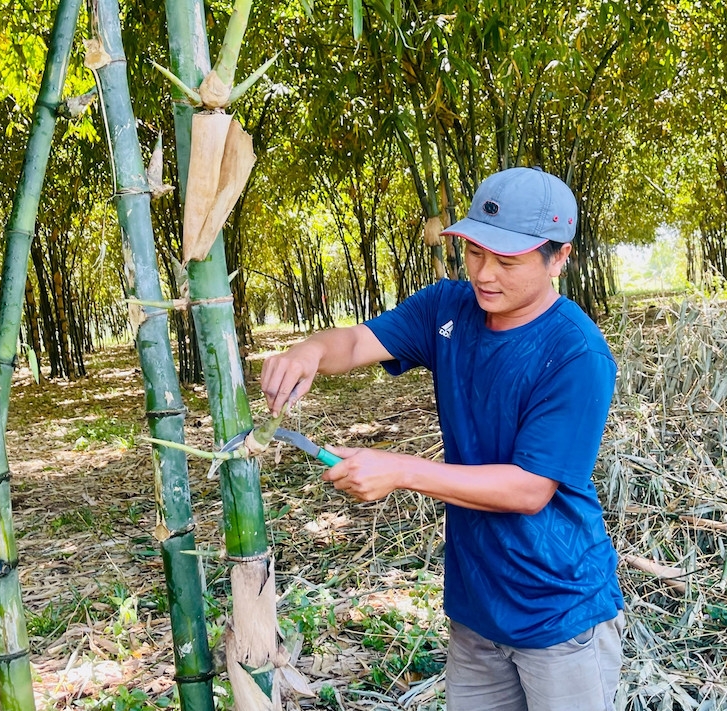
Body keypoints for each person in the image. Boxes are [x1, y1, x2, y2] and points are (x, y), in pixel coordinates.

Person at [260, 166, 624, 710]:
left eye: (507, 260)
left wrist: (402, 470)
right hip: (476, 606)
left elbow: (529, 489)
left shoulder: (575, 353)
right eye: (476, 252)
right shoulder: (449, 310)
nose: (485, 273)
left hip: (558, 611)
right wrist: (310, 350)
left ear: (560, 257)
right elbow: (359, 341)